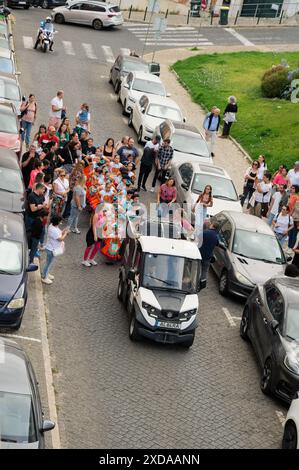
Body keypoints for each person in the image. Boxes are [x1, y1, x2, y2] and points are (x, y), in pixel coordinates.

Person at [41, 215, 69, 285]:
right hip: (51, 249)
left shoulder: (52, 226)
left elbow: (59, 234)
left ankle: (46, 273)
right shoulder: (53, 230)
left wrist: (63, 231)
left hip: (51, 248)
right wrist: (65, 233)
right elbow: (60, 239)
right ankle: (44, 277)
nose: (61, 222)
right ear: (58, 222)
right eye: (60, 221)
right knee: (48, 263)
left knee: (49, 262)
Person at [199, 219, 220, 286]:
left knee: (197, 268)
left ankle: (194, 280)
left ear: (212, 226)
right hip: (208, 257)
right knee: (204, 271)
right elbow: (217, 244)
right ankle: (202, 283)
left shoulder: (205, 232)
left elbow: (198, 237)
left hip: (200, 254)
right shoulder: (216, 237)